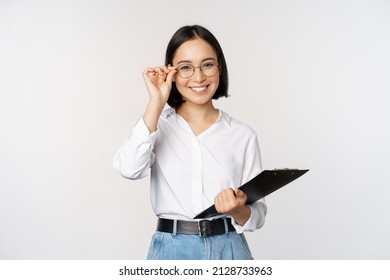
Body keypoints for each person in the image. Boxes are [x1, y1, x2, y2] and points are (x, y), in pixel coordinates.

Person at [113, 25, 267, 260]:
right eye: (185, 67)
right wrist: (156, 101)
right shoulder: (156, 125)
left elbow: (258, 214)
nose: (198, 77)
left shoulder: (242, 135)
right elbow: (129, 169)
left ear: (219, 67)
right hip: (171, 250)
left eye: (207, 65)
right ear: (171, 72)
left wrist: (237, 209)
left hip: (230, 249)